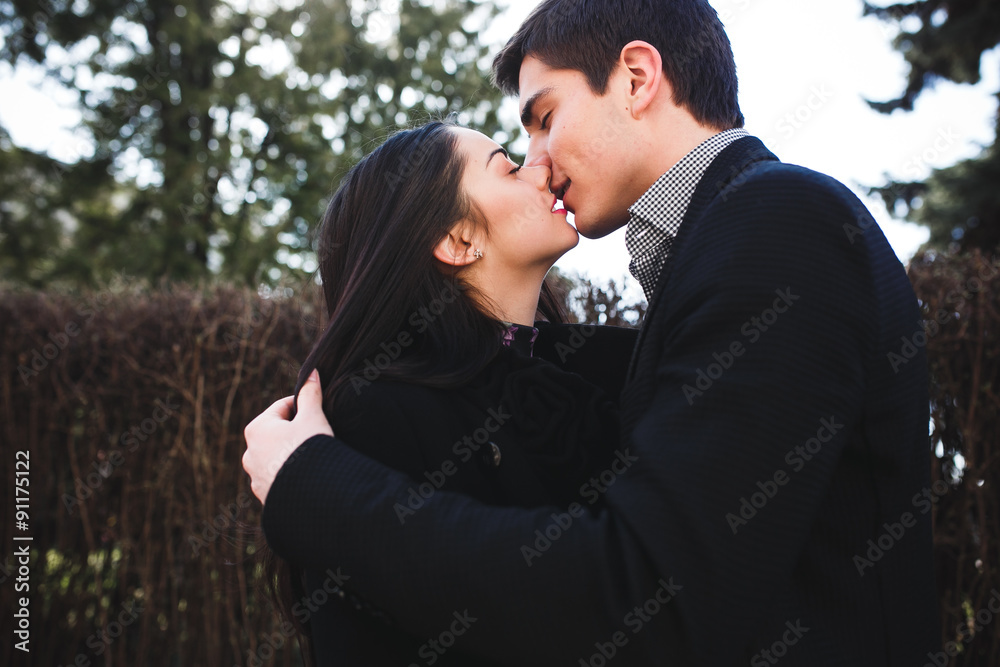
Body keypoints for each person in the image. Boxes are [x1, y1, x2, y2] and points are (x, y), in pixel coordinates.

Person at [243, 1, 938, 664]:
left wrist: (316, 488)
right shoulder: (707, 262)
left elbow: (650, 601)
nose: (538, 159)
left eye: (543, 119)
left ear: (637, 78)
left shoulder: (779, 221)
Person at [262, 120, 638, 665]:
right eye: (509, 168)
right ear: (459, 240)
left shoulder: (618, 370)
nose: (543, 169)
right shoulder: (375, 415)